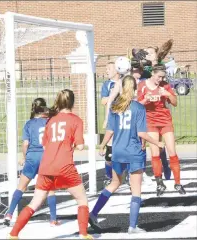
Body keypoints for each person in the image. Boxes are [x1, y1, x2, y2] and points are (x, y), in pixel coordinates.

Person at [8, 89, 93, 240]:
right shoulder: (76, 120)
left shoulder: (51, 120)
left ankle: (13, 234)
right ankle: (83, 234)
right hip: (65, 166)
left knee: (34, 203)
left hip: (46, 166)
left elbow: (46, 146)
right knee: (82, 200)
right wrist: (71, 145)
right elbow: (80, 146)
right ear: (72, 102)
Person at [89, 75, 164, 234]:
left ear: (122, 88)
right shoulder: (138, 107)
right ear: (135, 88)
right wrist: (157, 143)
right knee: (136, 189)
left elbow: (110, 130)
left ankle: (94, 213)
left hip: (118, 151)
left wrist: (102, 145)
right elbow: (142, 133)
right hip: (133, 152)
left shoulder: (115, 107)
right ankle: (132, 226)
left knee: (114, 183)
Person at [4, 98, 58, 227]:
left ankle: (9, 214)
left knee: (21, 187)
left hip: (32, 157)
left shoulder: (29, 123)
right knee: (50, 189)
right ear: (44, 109)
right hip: (46, 157)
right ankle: (53, 219)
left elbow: (25, 144)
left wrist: (24, 157)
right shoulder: (50, 122)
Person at [137, 64, 186, 196]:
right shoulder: (142, 85)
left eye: (163, 77)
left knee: (172, 151)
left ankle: (178, 183)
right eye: (159, 76)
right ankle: (159, 183)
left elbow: (175, 103)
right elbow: (137, 104)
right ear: (153, 73)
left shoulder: (165, 86)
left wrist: (168, 95)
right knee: (155, 153)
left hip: (165, 121)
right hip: (150, 121)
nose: (161, 79)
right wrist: (146, 100)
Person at [101, 59, 121, 186]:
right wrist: (114, 94)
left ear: (116, 70)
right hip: (111, 119)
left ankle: (128, 175)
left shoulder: (124, 82)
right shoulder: (107, 84)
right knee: (110, 150)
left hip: (124, 119)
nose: (106, 71)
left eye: (109, 68)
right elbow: (103, 101)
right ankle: (108, 176)